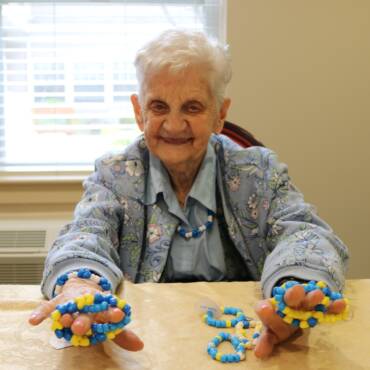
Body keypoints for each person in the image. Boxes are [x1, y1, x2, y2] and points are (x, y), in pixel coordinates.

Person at [29, 29, 349, 358]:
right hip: (146, 344)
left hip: (241, 337)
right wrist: (82, 285)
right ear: (140, 112)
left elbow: (304, 232)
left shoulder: (259, 172)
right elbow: (86, 234)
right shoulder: (114, 175)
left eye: (192, 107)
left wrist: (293, 290)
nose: (174, 124)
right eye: (159, 106)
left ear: (220, 115)